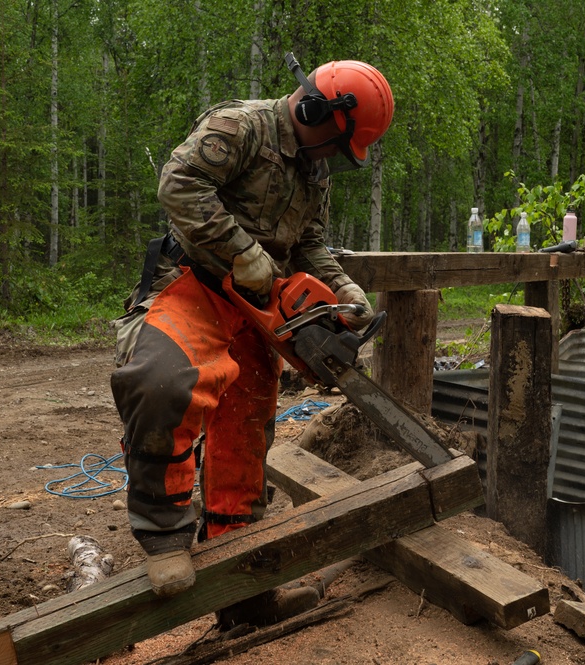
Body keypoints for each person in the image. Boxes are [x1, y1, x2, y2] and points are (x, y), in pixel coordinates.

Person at [109, 53, 394, 621]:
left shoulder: (313, 172)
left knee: (242, 444)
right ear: (318, 112)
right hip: (194, 283)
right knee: (162, 384)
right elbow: (179, 183)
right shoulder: (240, 127)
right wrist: (242, 253)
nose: (335, 162)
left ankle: (244, 596)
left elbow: (310, 243)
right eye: (338, 146)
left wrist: (343, 289)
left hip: (259, 308)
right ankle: (165, 538)